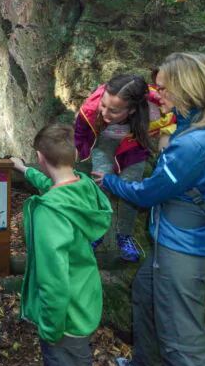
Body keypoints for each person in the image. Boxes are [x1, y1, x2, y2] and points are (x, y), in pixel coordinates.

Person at [92, 53, 205, 366]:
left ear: (186, 90)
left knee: (183, 341)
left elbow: (149, 193)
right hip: (174, 242)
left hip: (182, 250)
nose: (158, 95)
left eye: (164, 88)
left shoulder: (194, 144)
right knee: (145, 296)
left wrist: (111, 181)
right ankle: (143, 365)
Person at [11, 123, 112, 366]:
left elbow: (53, 278)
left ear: (40, 157)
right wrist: (25, 170)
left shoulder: (49, 212)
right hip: (84, 300)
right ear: (76, 155)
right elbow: (55, 186)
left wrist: (50, 328)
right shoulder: (84, 187)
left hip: (64, 317)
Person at [74, 74, 175, 262]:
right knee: (100, 183)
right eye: (103, 106)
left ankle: (124, 236)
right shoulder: (91, 109)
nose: (104, 113)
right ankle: (96, 231)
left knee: (130, 187)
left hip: (134, 148)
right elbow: (79, 134)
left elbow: (172, 123)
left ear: (132, 110)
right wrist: (77, 156)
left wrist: (164, 142)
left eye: (113, 111)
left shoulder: (158, 110)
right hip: (105, 142)